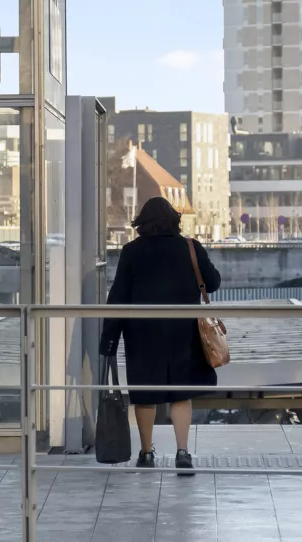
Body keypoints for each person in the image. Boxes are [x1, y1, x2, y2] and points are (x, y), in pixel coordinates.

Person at [99, 196, 221, 475]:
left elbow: (118, 297)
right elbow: (212, 283)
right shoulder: (191, 247)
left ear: (141, 223)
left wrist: (109, 337)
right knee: (180, 394)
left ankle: (146, 452)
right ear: (174, 220)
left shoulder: (131, 252)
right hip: (183, 332)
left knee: (145, 394)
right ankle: (182, 452)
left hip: (142, 334)